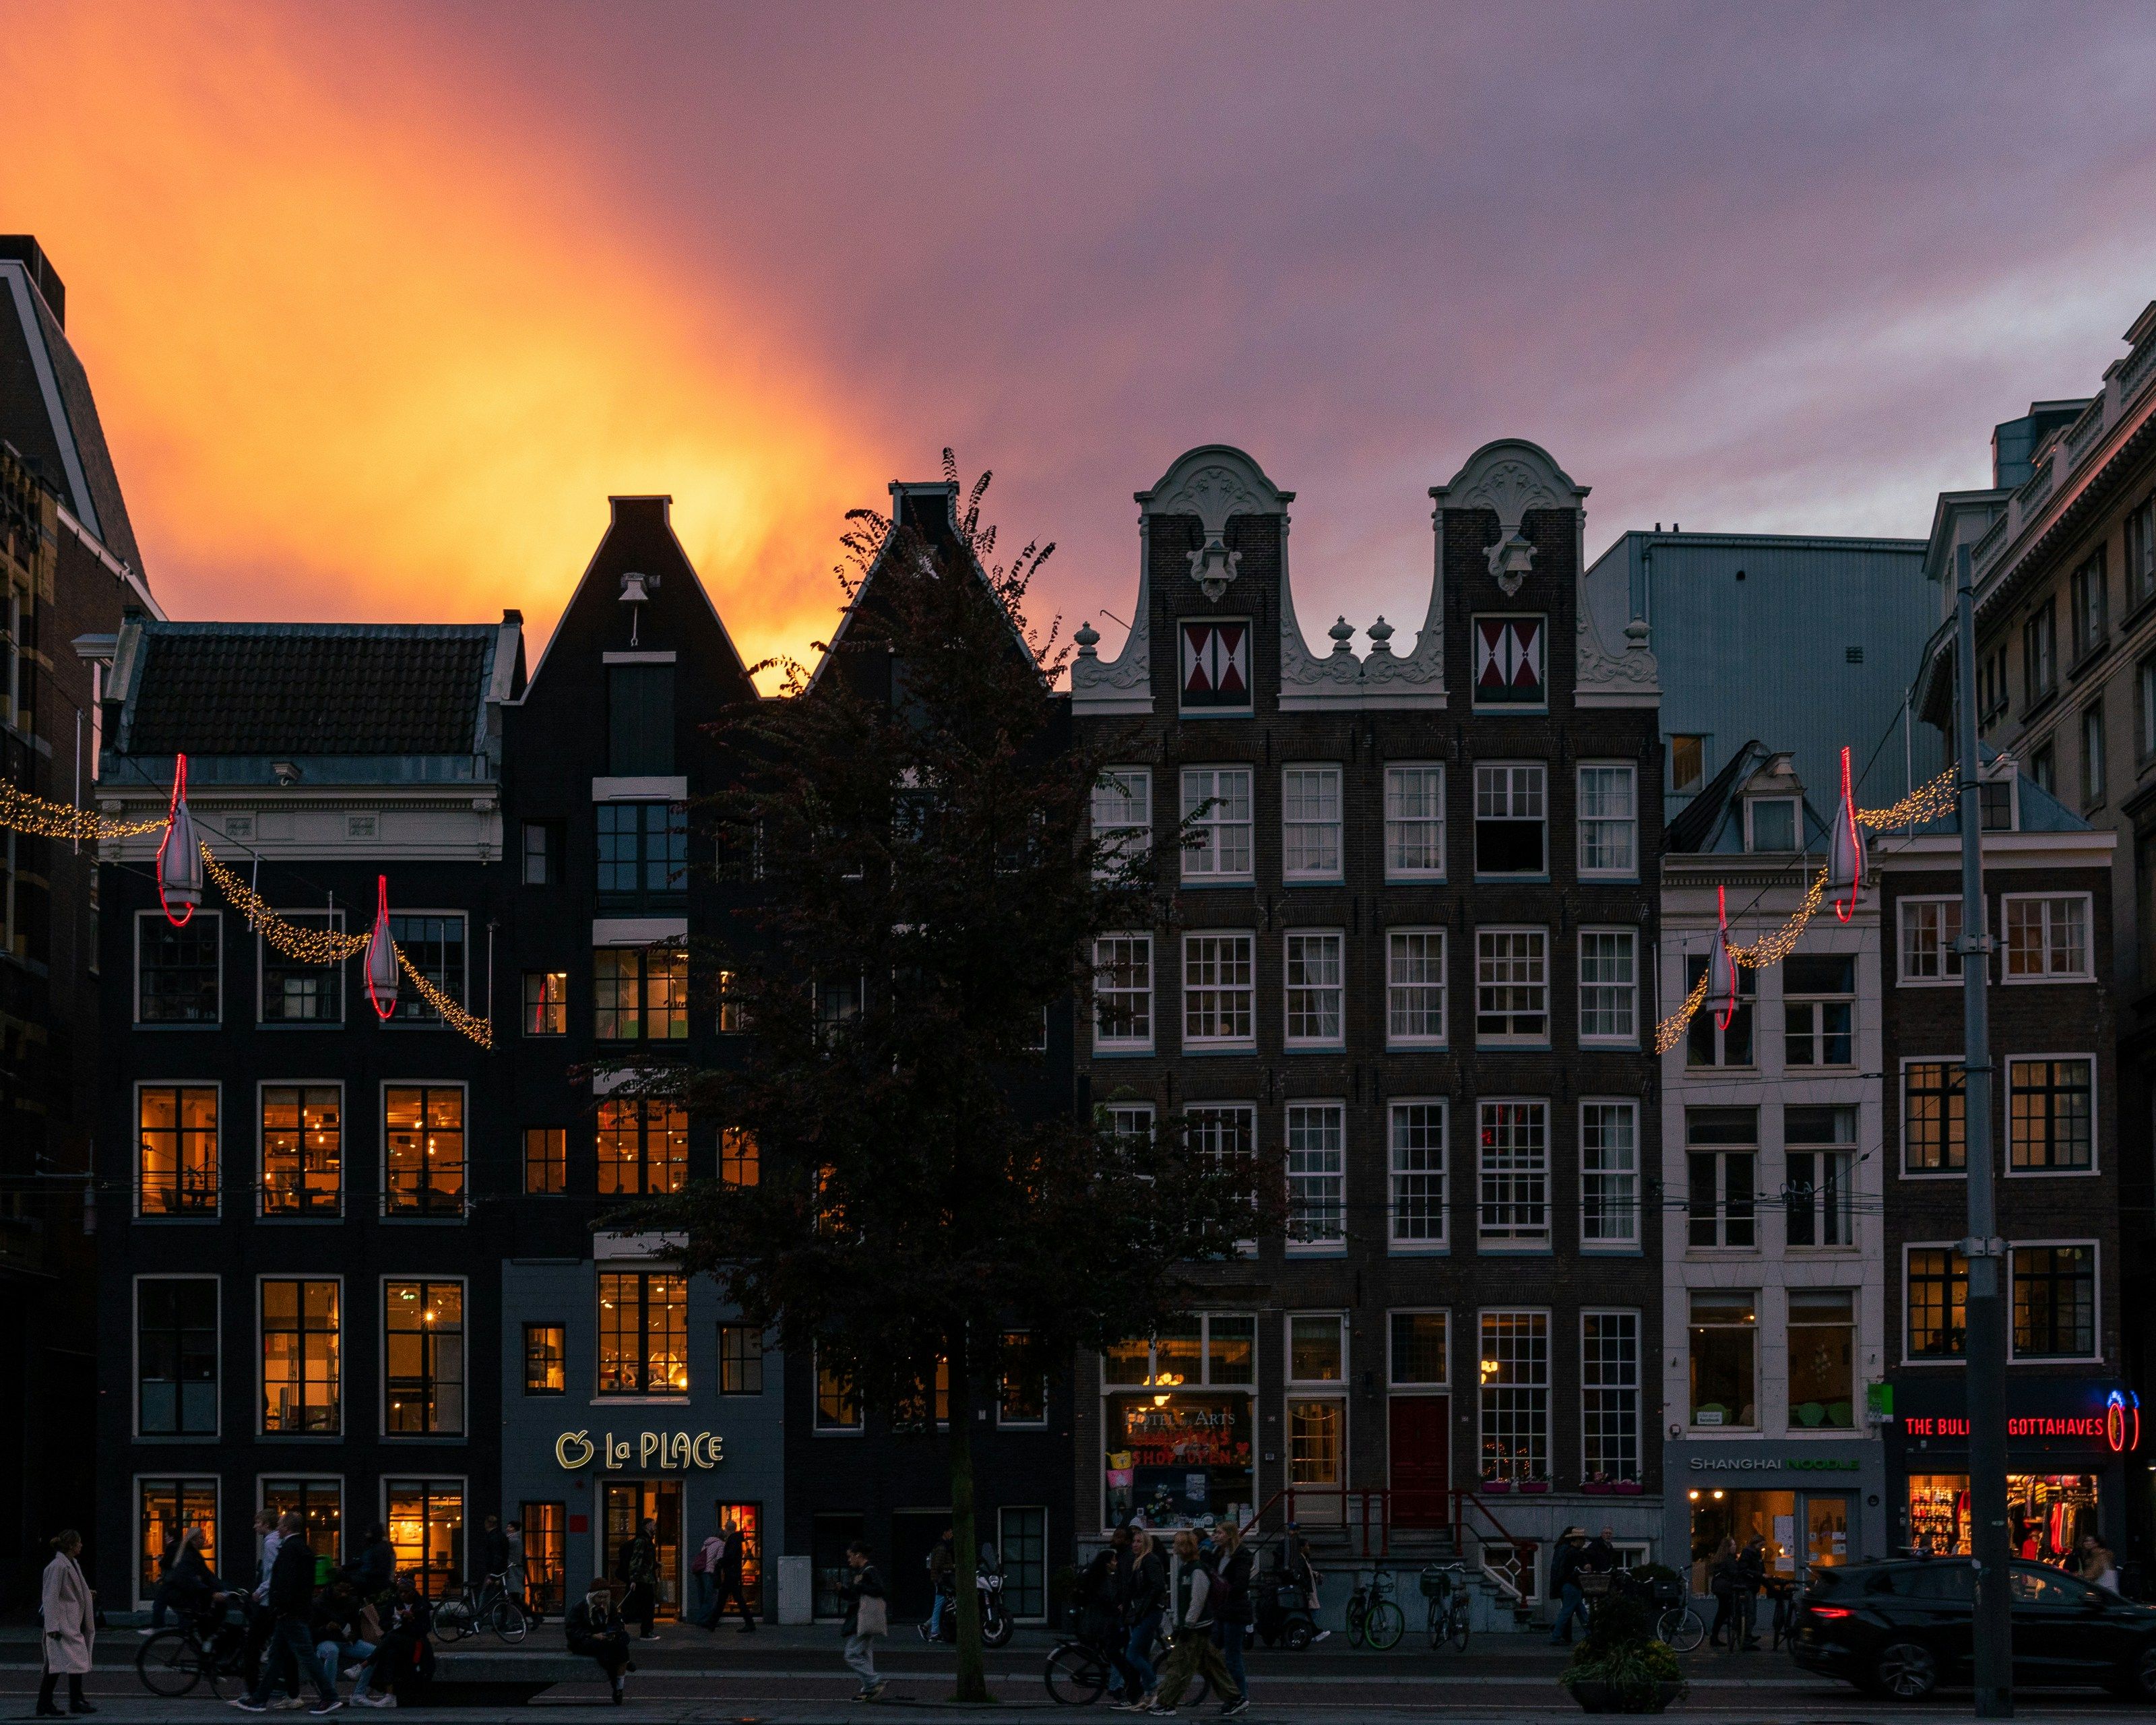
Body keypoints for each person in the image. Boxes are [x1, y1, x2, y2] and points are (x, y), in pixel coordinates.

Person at [236, 1513, 341, 1714]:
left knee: (307, 1655)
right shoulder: (304, 1548)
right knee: (276, 1657)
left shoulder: (289, 1549)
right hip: (296, 1611)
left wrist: (280, 1608)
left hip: (290, 1614)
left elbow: (285, 1582)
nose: (278, 1528)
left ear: (287, 1527)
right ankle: (259, 1699)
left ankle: (330, 1696)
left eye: (281, 1525)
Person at [1145, 1530, 1240, 1718]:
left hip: (1195, 1628)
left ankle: (1167, 1703)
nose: (1174, 1547)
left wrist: (1187, 1625)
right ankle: (1235, 1698)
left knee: (1179, 1665)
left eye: (1177, 1544)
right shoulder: (1187, 1569)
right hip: (1195, 1627)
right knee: (1211, 1666)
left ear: (1184, 1547)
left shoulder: (1196, 1570)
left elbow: (1197, 1601)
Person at [350, 1581, 435, 1710]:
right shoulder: (394, 1603)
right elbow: (383, 1624)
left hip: (415, 1642)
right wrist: (394, 1621)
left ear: (413, 1591)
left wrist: (411, 1619)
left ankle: (363, 1665)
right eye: (400, 1592)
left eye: (406, 1592)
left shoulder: (422, 1606)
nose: (403, 1595)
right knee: (389, 1653)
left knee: (391, 1638)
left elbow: (424, 1630)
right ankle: (389, 1696)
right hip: (395, 1641)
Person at [38, 1529, 95, 1718]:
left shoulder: (71, 1564)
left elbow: (69, 1591)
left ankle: (53, 1702)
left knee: (63, 1662)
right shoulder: (58, 1567)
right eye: (78, 1542)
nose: (81, 1545)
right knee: (63, 1662)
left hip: (69, 1621)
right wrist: (52, 1627)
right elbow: (51, 1597)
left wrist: (86, 1595)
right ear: (71, 1545)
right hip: (62, 1623)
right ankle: (70, 1701)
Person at [1114, 1528, 1168, 1712]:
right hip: (1142, 1614)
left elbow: (1157, 1586)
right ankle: (1148, 1695)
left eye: (1139, 1542)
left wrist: (1143, 1608)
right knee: (1142, 1654)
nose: (1135, 1545)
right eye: (1134, 1541)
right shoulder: (1138, 1562)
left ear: (1146, 1544)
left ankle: (1153, 1686)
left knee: (1132, 1654)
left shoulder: (1149, 1560)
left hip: (1149, 1614)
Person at [565, 1578, 633, 1705]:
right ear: (593, 1596)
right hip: (584, 1640)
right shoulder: (580, 1607)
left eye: (605, 1597)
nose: (602, 1600)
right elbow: (572, 1631)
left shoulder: (610, 1606)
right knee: (608, 1650)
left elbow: (617, 1623)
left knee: (622, 1643)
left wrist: (612, 1633)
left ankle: (619, 1687)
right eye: (599, 1597)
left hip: (605, 1637)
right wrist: (592, 1635)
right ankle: (620, 1675)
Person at [1209, 1523, 1253, 1718]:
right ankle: (1232, 1696)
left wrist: (1223, 1592)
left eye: (1219, 1533)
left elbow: (1240, 1584)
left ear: (1229, 1535)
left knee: (1232, 1657)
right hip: (1221, 1611)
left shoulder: (1241, 1556)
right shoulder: (1218, 1554)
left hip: (1235, 1612)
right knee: (1214, 1652)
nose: (1216, 1535)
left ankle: (1240, 1697)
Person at [839, 1540, 889, 1703]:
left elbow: (880, 1589)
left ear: (858, 1555)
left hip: (863, 1619)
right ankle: (869, 1688)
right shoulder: (861, 1572)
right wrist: (842, 1591)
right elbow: (855, 1596)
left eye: (850, 1556)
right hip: (862, 1618)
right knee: (865, 1655)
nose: (849, 1560)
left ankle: (875, 1681)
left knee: (851, 1654)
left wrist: (860, 1587)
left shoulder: (869, 1571)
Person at [311, 1581, 375, 1703]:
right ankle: (330, 1695)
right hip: (326, 1640)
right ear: (332, 1588)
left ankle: (359, 1694)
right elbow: (311, 1631)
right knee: (332, 1651)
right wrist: (326, 1628)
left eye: (346, 1591)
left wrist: (353, 1635)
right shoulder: (318, 1604)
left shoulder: (352, 1602)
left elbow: (356, 1625)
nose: (343, 1595)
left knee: (375, 1652)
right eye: (340, 1591)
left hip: (346, 1642)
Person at [701, 1524, 755, 1633]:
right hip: (732, 1574)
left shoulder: (733, 1540)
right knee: (727, 1599)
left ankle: (749, 1623)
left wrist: (721, 1562)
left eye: (725, 1529)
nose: (724, 1531)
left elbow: (730, 1556)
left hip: (731, 1574)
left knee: (728, 1599)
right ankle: (713, 1623)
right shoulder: (736, 1540)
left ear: (728, 1529)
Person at [1546, 1527, 1589, 1646]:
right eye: (1583, 1540)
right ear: (1577, 1540)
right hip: (1573, 1586)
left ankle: (1590, 1634)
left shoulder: (1566, 1551)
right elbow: (1578, 1569)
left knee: (1581, 1612)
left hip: (1570, 1586)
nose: (1584, 1542)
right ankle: (1556, 1636)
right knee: (1568, 1613)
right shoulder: (1574, 1553)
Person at [619, 1521, 660, 1640]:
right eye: (653, 1525)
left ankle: (644, 1630)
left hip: (644, 1579)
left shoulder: (646, 1541)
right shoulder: (642, 1541)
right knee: (647, 1606)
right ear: (647, 1526)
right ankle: (646, 1632)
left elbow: (642, 1561)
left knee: (640, 1605)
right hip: (643, 1579)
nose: (655, 1527)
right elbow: (636, 1560)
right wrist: (633, 1579)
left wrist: (655, 1564)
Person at [1732, 1536, 1766, 1652]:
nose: (1762, 1547)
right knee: (1749, 1613)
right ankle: (1746, 1639)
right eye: (1761, 1545)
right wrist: (1760, 1575)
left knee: (1751, 1614)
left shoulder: (1756, 1553)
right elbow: (1744, 1570)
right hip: (1747, 1587)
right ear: (1755, 1543)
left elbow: (1761, 1570)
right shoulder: (1749, 1553)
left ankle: (1747, 1636)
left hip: (1751, 1586)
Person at [1706, 1537, 1739, 1650]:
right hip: (1725, 1588)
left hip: (1719, 1588)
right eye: (1733, 1545)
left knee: (1722, 1611)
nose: (1735, 1547)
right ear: (1728, 1548)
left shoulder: (1721, 1559)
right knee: (1723, 1611)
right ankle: (1715, 1636)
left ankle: (1715, 1636)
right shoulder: (1729, 1560)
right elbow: (1734, 1573)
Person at [344, 1527, 393, 1602]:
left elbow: (382, 1570)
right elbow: (362, 1562)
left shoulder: (380, 1549)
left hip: (373, 1585)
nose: (366, 1535)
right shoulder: (375, 1548)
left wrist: (362, 1573)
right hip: (371, 1582)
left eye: (369, 1533)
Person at [924, 1527, 955, 1641]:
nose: (952, 1535)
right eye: (950, 1532)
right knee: (940, 1605)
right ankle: (934, 1632)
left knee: (943, 1606)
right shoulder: (942, 1547)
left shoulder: (942, 1546)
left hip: (941, 1580)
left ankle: (927, 1626)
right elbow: (938, 1566)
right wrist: (953, 1566)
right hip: (942, 1581)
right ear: (945, 1533)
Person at [478, 1517, 511, 1605]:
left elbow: (496, 1557)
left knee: (484, 1594)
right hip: (503, 1571)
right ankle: (503, 1613)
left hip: (494, 1572)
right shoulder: (503, 1536)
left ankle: (479, 1613)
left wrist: (492, 1576)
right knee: (501, 1595)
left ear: (488, 1524)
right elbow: (505, 1555)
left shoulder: (492, 1538)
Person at [690, 1530, 721, 1622]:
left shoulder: (706, 1544)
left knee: (702, 1596)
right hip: (709, 1571)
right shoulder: (721, 1544)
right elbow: (719, 1559)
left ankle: (702, 1618)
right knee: (710, 1596)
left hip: (700, 1571)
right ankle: (703, 1619)